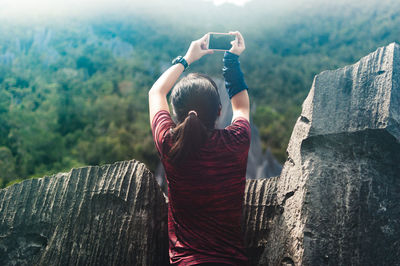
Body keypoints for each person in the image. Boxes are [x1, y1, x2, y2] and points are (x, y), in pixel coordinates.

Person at [149, 31, 250, 266]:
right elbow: (241, 106)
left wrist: (186, 58)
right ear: (218, 111)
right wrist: (231, 61)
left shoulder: (169, 143)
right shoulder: (237, 140)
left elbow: (156, 92)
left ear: (175, 115)